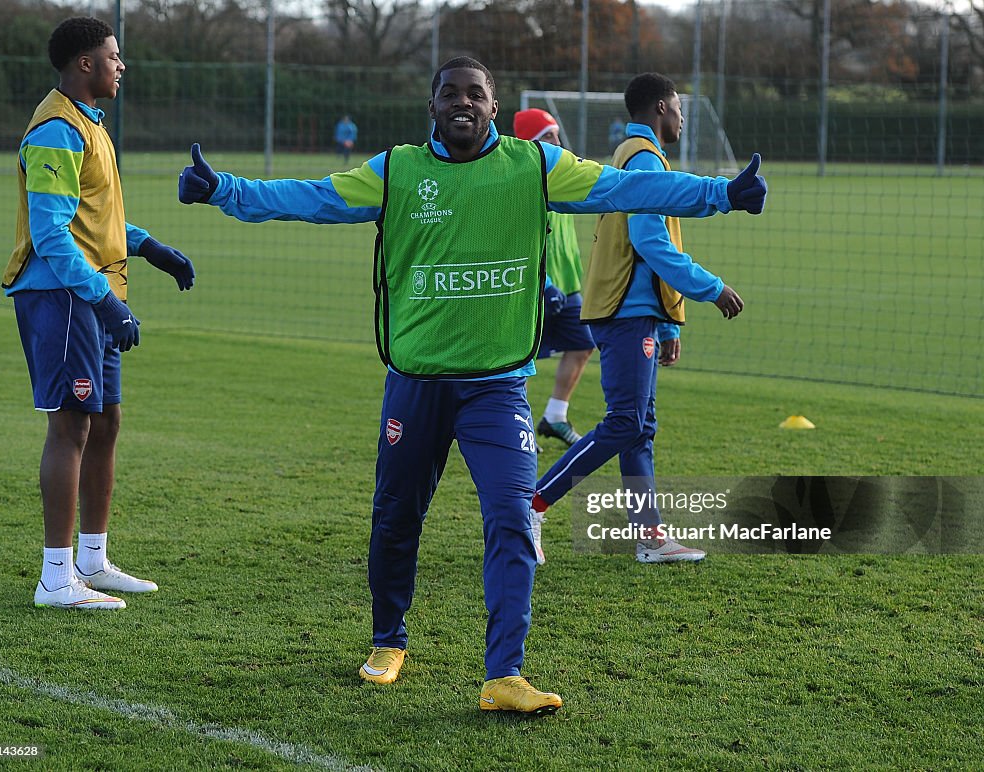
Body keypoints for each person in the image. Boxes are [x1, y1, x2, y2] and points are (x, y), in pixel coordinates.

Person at [178, 57, 765, 714]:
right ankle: (387, 640)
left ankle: (504, 675)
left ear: (494, 107)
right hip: (417, 382)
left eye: (476, 93)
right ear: (432, 106)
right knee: (396, 521)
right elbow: (309, 197)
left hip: (497, 388)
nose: (463, 102)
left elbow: (625, 189)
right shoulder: (396, 170)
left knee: (512, 518)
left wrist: (720, 194)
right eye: (450, 92)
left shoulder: (534, 166)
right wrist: (223, 188)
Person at [3, 17, 195, 611]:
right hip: (63, 295)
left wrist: (149, 246)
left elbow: (97, 223)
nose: (122, 64)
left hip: (90, 293)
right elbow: (53, 236)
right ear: (84, 64)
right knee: (71, 426)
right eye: (114, 55)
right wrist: (105, 300)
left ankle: (92, 559)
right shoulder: (57, 130)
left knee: (105, 422)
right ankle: (56, 578)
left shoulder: (91, 125)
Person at [531, 72, 758, 565]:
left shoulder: (632, 154)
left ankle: (650, 536)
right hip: (625, 312)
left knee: (639, 426)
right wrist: (710, 289)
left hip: (638, 313)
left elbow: (656, 242)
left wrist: (670, 321)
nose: (682, 116)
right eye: (679, 107)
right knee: (624, 422)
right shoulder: (642, 158)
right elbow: (652, 243)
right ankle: (532, 504)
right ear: (660, 107)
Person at [511, 108, 594, 562]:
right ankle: (515, 424)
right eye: (549, 135)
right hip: (537, 289)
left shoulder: (561, 174)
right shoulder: (522, 179)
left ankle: (555, 415)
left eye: (558, 133)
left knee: (583, 344)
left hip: (571, 286)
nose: (558, 141)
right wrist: (541, 281)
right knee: (520, 359)